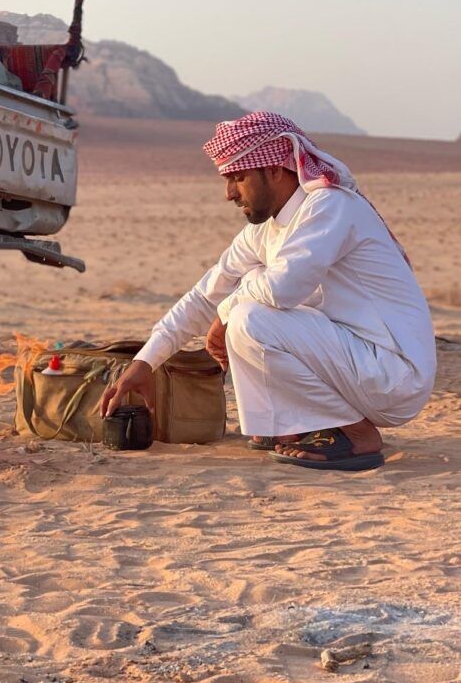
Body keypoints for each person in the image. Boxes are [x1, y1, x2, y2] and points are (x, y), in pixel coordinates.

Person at [100, 111, 436, 472]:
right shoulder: (266, 230)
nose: (229, 193)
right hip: (358, 365)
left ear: (276, 169)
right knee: (248, 299)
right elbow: (204, 296)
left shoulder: (330, 206)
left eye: (238, 177)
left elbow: (283, 290)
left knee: (251, 317)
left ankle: (356, 435)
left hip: (392, 373)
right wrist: (145, 362)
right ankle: (289, 427)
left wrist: (226, 314)